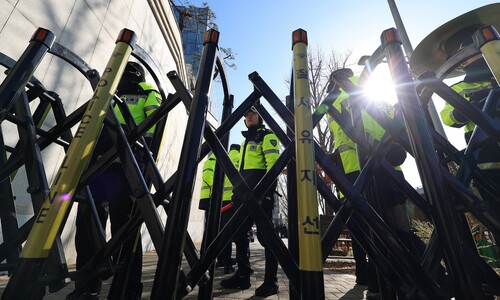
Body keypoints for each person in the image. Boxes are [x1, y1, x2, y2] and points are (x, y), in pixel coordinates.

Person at [68, 61, 162, 300]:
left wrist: (141, 163)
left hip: (126, 168)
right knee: (90, 226)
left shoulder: (149, 93)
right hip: (101, 167)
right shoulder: (110, 93)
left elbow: (154, 131)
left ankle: (127, 290)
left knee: (125, 230)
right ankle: (87, 287)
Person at [325, 68, 421, 297]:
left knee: (372, 231)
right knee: (395, 227)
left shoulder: (338, 98)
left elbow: (345, 136)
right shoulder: (373, 93)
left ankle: (387, 281)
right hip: (388, 169)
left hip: (359, 171)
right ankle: (412, 277)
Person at [220, 106, 281, 297]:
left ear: (260, 117)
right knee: (238, 234)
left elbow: (273, 164)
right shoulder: (246, 141)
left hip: (261, 195)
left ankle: (271, 282)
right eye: (246, 116)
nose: (248, 117)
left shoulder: (267, 136)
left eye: (252, 114)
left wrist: (267, 191)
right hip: (244, 196)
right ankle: (243, 275)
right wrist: (236, 194)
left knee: (267, 238)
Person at [218, 143, 241, 274]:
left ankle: (226, 264)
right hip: (236, 200)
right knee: (240, 233)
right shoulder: (241, 157)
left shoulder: (223, 157)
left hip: (223, 202)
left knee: (225, 233)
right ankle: (241, 260)